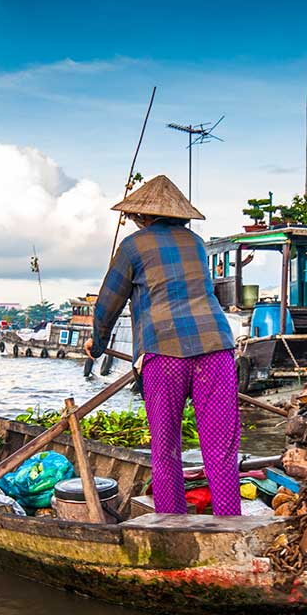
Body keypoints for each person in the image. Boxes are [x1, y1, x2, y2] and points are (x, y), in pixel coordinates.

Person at [85, 175, 241, 516]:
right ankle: (230, 521)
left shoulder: (132, 246)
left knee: (166, 446)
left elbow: (108, 303)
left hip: (165, 352)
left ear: (142, 217)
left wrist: (96, 346)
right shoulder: (196, 243)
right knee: (221, 447)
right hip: (217, 348)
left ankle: (172, 521)